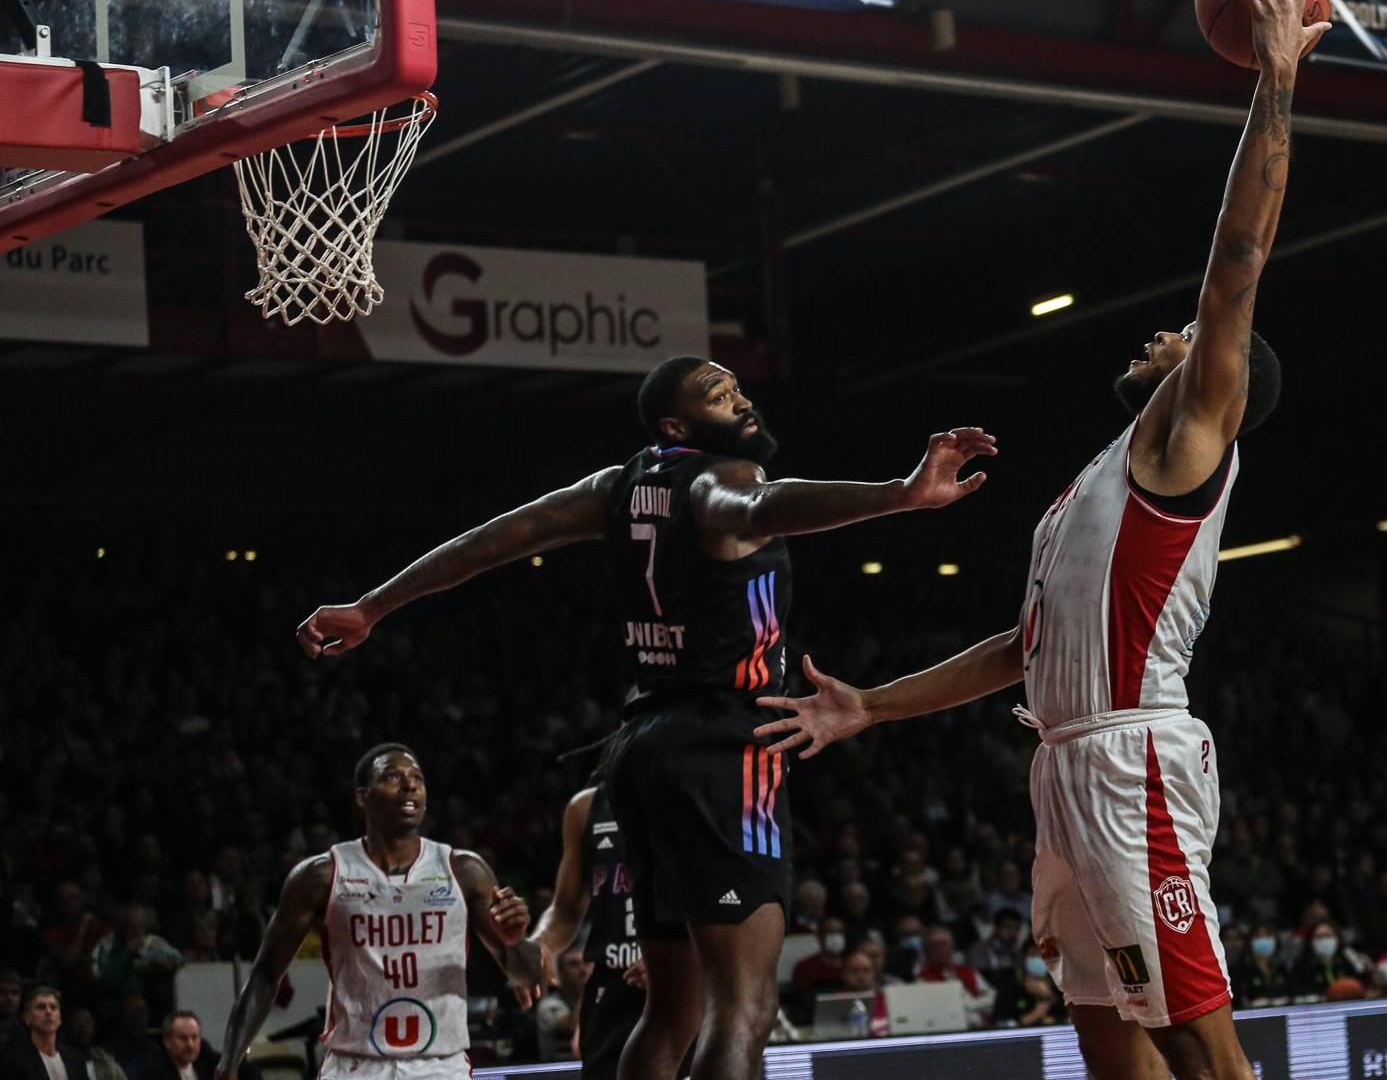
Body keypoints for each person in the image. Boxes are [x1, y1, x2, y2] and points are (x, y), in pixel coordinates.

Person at [755, 0, 1324, 1080]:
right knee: (1104, 1037)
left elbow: (1236, 263)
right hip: (1065, 763)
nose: (1160, 335)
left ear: (1219, 376)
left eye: (1181, 338)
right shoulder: (1104, 475)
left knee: (1201, 1044)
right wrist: (870, 705)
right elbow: (1019, 652)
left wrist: (1274, 85)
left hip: (1132, 761)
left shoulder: (1189, 432)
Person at [296, 367, 994, 1080]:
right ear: (675, 427)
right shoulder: (721, 481)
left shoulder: (614, 487)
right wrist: (900, 493)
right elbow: (762, 505)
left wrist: (374, 606)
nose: (744, 400)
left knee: (669, 1013)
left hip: (641, 749)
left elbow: (494, 539)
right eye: (721, 397)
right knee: (742, 1012)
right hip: (726, 747)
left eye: (738, 389)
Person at [213, 745, 544, 1080]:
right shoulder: (320, 876)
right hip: (353, 1065)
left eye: (417, 778)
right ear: (362, 796)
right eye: (392, 777)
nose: (409, 785)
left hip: (439, 1065)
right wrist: (229, 1061)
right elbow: (266, 974)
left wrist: (515, 941)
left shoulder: (464, 869)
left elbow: (528, 976)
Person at [525, 767, 658, 1080]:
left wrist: (676, 956)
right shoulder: (586, 807)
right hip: (611, 986)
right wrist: (540, 944)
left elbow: (727, 897)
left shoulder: (698, 793)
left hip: (681, 982)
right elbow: (565, 910)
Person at [1, 987, 88, 1080]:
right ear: (27, 1017)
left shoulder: (75, 1058)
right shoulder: (14, 1062)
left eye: (53, 1007)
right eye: (41, 1007)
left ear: (60, 1018)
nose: (48, 1012)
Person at [139, 1012, 253, 1080]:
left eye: (194, 1037)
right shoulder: (155, 1073)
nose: (190, 1044)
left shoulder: (205, 1057)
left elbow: (247, 1069)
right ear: (167, 1041)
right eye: (183, 1038)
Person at [915, 927, 994, 1024]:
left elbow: (992, 999)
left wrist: (968, 1005)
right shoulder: (922, 980)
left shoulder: (969, 971)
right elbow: (945, 1011)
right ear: (925, 951)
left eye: (944, 943)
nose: (941, 949)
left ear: (952, 946)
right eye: (934, 945)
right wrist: (977, 1004)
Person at [1286, 923, 1353, 999]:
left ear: (1337, 939)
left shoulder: (1347, 962)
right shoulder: (1302, 968)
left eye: (1328, 936)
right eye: (1319, 937)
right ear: (1311, 942)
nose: (1324, 940)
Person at [1231, 927, 1287, 1006]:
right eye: (1258, 936)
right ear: (1250, 941)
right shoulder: (1239, 969)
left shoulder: (1280, 967)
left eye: (1267, 935)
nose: (1263, 939)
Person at [57, 1012, 117, 1080]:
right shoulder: (59, 1064)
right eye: (77, 1023)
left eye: (87, 1022)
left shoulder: (104, 1061)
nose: (83, 1028)